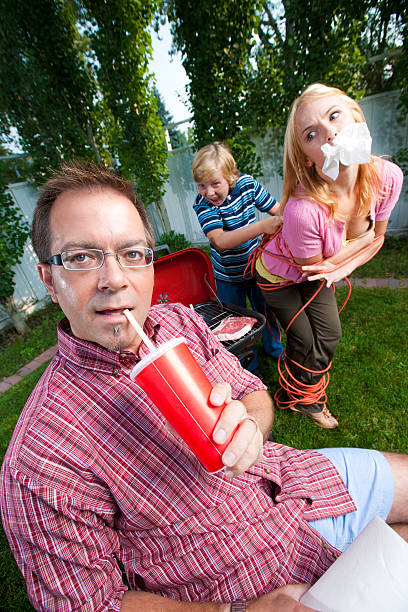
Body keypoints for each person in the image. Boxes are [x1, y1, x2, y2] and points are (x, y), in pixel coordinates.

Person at [1, 161, 408, 612]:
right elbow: (89, 605)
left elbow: (250, 389)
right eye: (81, 257)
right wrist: (233, 611)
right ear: (48, 280)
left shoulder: (177, 321)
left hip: (294, 479)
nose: (115, 279)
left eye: (132, 254)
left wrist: (253, 425)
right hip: (244, 572)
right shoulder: (40, 460)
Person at [253, 83, 403, 429]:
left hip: (321, 270)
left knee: (329, 336)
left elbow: (376, 239)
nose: (330, 133)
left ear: (355, 116)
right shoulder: (302, 212)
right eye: (312, 134)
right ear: (307, 156)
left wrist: (344, 264)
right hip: (279, 275)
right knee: (306, 338)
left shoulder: (388, 178)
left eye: (335, 116)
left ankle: (299, 387)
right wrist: (352, 253)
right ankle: (307, 399)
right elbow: (315, 269)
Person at [192, 142, 284, 374]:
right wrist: (262, 227)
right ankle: (247, 364)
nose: (209, 192)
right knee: (235, 322)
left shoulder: (247, 185)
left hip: (257, 268)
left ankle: (275, 349)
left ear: (231, 176)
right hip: (228, 276)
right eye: (201, 185)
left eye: (215, 183)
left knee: (267, 310)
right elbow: (220, 241)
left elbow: (277, 210)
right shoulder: (203, 205)